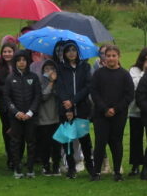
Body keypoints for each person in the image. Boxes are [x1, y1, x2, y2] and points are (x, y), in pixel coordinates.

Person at [90, 45, 134, 182]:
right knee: (100, 142)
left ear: (118, 57)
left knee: (116, 142)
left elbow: (129, 95)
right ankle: (96, 172)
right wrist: (104, 109)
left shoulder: (125, 75)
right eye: (108, 56)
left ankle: (117, 172)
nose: (111, 58)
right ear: (104, 57)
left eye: (113, 56)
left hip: (118, 115)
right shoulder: (98, 74)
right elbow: (94, 92)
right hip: (101, 114)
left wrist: (115, 109)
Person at [55, 41, 94, 177]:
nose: (71, 53)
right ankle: (71, 167)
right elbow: (60, 88)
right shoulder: (60, 68)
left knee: (85, 140)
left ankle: (90, 166)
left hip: (81, 109)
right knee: (67, 141)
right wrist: (68, 108)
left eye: (73, 50)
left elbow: (87, 87)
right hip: (65, 110)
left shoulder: (85, 67)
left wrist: (73, 101)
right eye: (68, 50)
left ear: (77, 52)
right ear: (64, 54)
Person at [3, 50, 42, 179]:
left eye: (24, 60)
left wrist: (30, 112)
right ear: (15, 62)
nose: (21, 62)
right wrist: (16, 112)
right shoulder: (10, 78)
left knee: (31, 142)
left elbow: (37, 96)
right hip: (16, 117)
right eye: (19, 60)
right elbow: (7, 98)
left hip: (31, 116)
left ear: (28, 62)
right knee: (15, 142)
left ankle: (30, 168)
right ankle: (17, 168)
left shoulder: (33, 77)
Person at [127, 46, 147, 180]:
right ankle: (135, 165)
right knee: (136, 138)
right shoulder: (134, 70)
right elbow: (135, 85)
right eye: (146, 60)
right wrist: (144, 72)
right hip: (135, 110)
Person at [0, 42, 18, 171]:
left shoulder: (20, 66)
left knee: (18, 131)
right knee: (7, 131)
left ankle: (17, 156)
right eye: (5, 52)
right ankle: (11, 157)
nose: (7, 54)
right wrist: (8, 90)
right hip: (4, 105)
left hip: (19, 104)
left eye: (9, 51)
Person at [36, 59, 62, 176]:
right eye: (47, 69)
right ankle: (45, 166)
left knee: (56, 144)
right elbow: (43, 96)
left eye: (52, 69)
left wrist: (55, 83)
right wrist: (51, 83)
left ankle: (56, 166)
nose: (49, 71)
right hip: (44, 118)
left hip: (56, 117)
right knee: (45, 144)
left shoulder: (60, 81)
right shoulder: (40, 81)